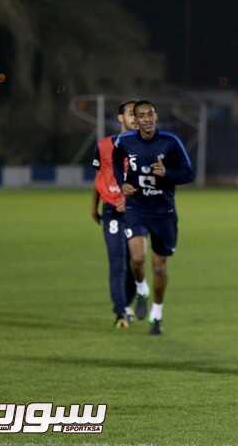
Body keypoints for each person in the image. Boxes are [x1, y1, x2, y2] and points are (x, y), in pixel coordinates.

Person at [113, 100, 194, 335]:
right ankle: (141, 289)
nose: (147, 119)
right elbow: (116, 161)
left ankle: (156, 313)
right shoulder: (126, 141)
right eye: (141, 115)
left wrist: (168, 173)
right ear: (135, 120)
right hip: (136, 208)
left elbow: (188, 173)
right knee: (137, 258)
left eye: (150, 114)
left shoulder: (170, 142)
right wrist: (122, 183)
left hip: (163, 213)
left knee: (159, 268)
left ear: (155, 116)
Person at [91, 100, 138, 328]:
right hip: (110, 210)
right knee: (116, 261)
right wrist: (94, 206)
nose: (134, 117)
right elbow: (99, 177)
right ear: (120, 118)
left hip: (137, 211)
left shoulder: (147, 147)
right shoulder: (103, 146)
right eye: (130, 113)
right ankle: (120, 311)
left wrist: (129, 200)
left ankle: (129, 301)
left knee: (135, 262)